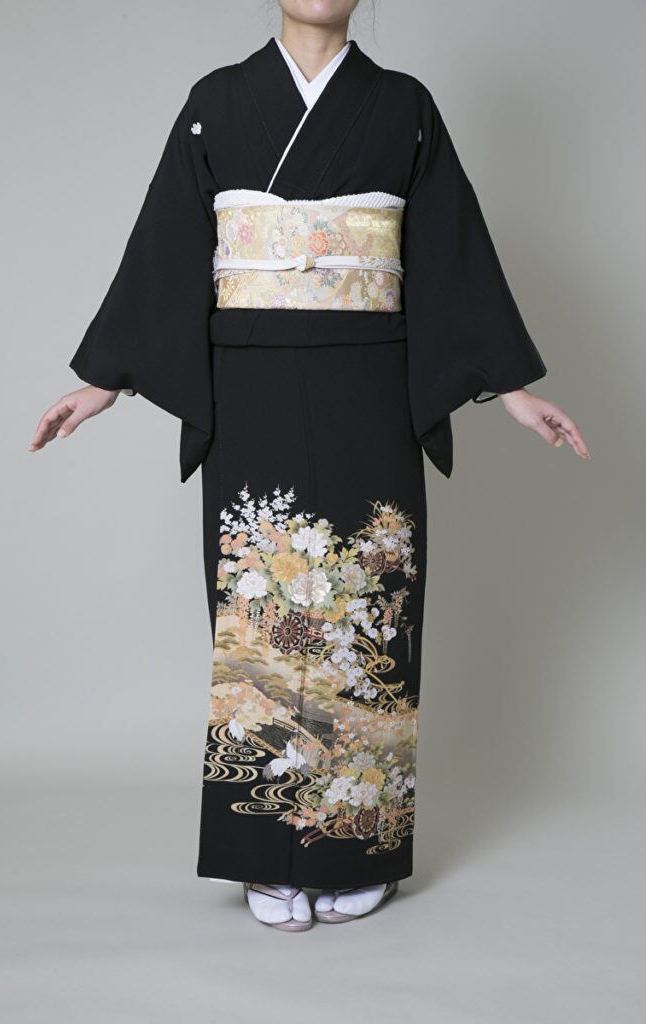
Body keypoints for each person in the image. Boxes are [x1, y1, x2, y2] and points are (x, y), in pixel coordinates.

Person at [29, 0, 589, 932]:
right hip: (247, 383)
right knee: (261, 616)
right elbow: (167, 246)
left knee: (369, 603)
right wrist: (106, 379)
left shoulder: (403, 106)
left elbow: (450, 250)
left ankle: (357, 842)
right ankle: (266, 854)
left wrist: (507, 386)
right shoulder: (217, 102)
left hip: (371, 382)